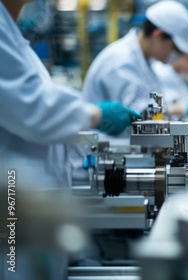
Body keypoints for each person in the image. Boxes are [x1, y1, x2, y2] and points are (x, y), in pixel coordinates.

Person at [0, 0, 140, 279]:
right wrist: (94, 114)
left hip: (31, 195)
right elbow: (31, 107)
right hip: (14, 197)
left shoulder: (11, 32)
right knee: (15, 266)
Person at [82, 0, 188, 142]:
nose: (175, 55)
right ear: (158, 35)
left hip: (126, 148)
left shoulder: (144, 60)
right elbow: (136, 116)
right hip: (106, 150)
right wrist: (182, 108)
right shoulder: (122, 60)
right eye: (174, 48)